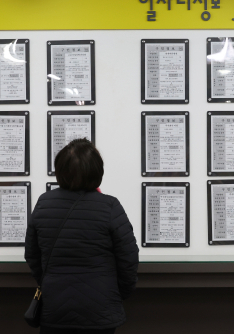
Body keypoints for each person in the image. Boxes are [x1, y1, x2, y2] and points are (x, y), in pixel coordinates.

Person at [25, 139, 139, 334]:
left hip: (55, 307)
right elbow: (128, 258)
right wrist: (118, 292)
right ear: (97, 171)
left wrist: (48, 281)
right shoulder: (109, 206)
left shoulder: (44, 203)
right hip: (99, 308)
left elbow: (32, 255)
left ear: (59, 170)